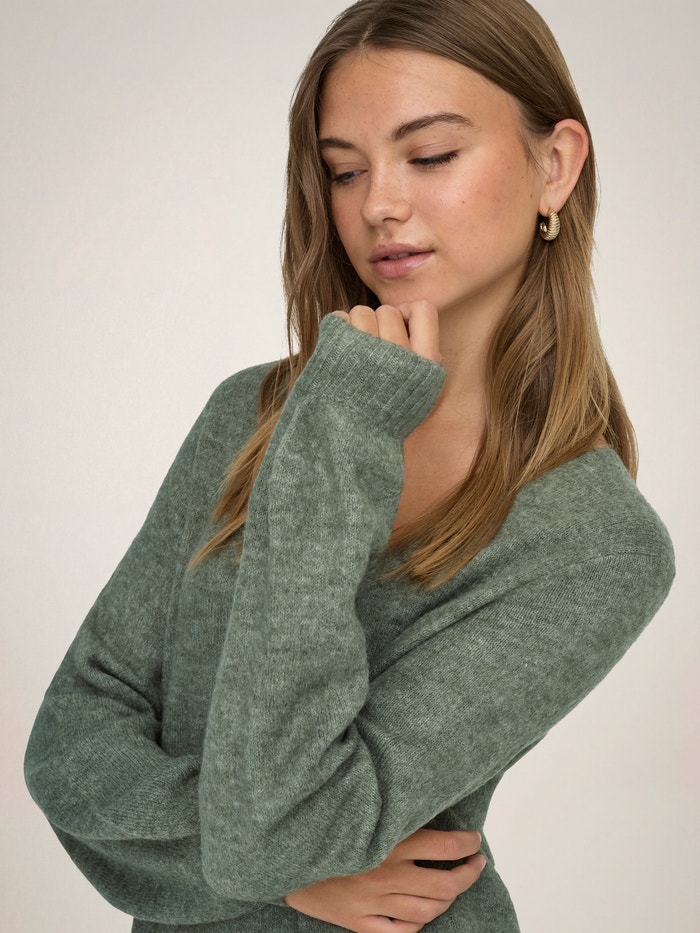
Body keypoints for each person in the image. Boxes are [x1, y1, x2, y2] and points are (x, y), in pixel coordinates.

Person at [24, 0, 675, 931]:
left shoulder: (595, 542)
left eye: (431, 155)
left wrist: (344, 431)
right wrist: (291, 872)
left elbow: (276, 824)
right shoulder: (252, 416)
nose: (379, 205)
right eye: (344, 169)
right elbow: (71, 744)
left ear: (555, 165)